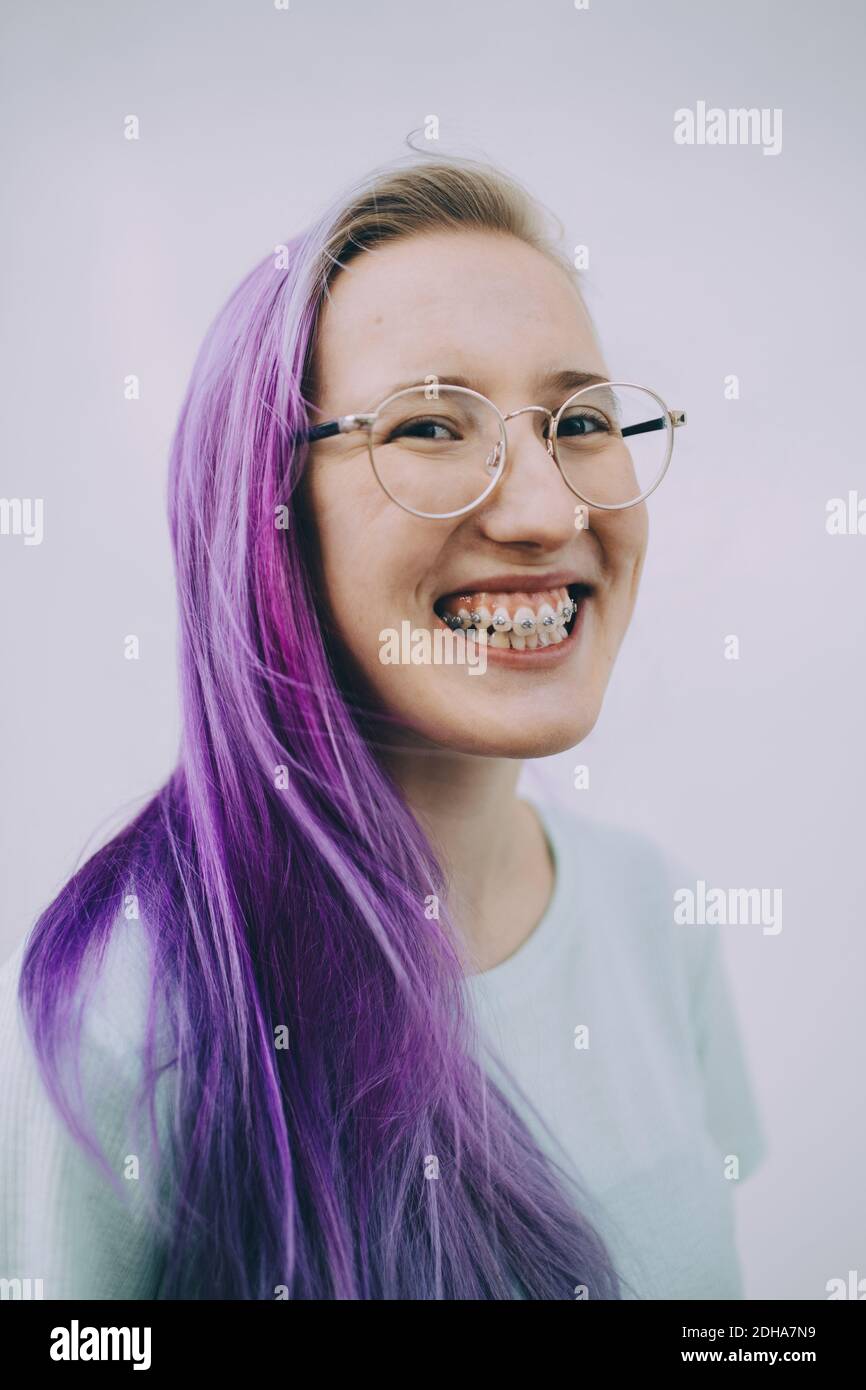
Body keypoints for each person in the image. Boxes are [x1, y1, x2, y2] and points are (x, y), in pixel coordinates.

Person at [0, 156, 765, 1300]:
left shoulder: (659, 916)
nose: (547, 511)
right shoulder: (127, 1010)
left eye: (582, 420)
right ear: (269, 511)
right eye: (427, 426)